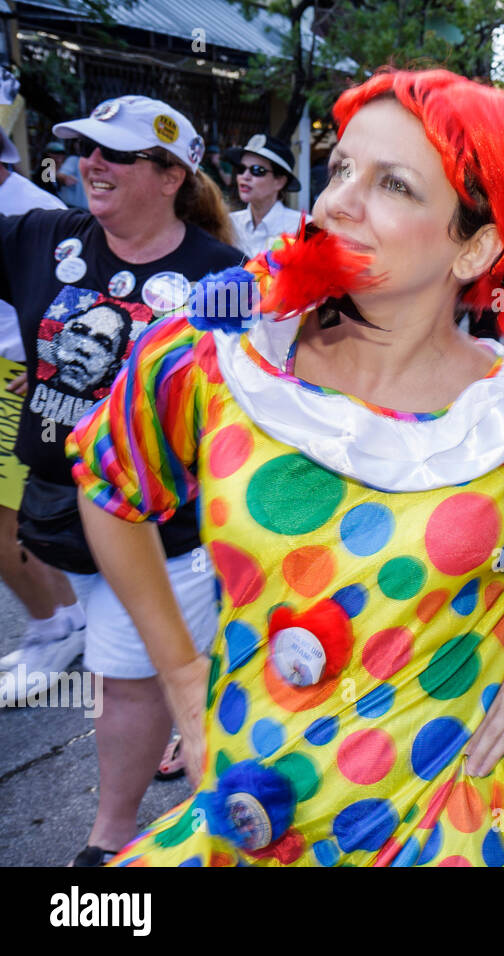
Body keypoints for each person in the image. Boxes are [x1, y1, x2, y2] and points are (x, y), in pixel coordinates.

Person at [67, 69, 504, 867]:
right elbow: (108, 483)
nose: (334, 204)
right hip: (242, 824)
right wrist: (183, 677)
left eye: (392, 183)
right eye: (340, 171)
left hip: (435, 830)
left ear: (476, 245)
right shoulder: (222, 356)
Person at [0, 93, 241, 865]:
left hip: (164, 528)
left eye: (115, 153)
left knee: (126, 678)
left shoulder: (225, 278)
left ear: (172, 174)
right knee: (137, 671)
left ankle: (109, 840)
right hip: (56, 517)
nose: (90, 164)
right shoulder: (44, 237)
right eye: (84, 149)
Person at [0, 117, 83, 701]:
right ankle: (66, 619)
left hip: (12, 374)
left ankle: (54, 629)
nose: (87, 168)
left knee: (4, 520)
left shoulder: (36, 211)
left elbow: (79, 301)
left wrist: (44, 364)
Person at [228, 134, 304, 258]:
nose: (245, 176)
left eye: (257, 170)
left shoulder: (302, 228)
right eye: (241, 169)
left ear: (280, 181)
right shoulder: (229, 224)